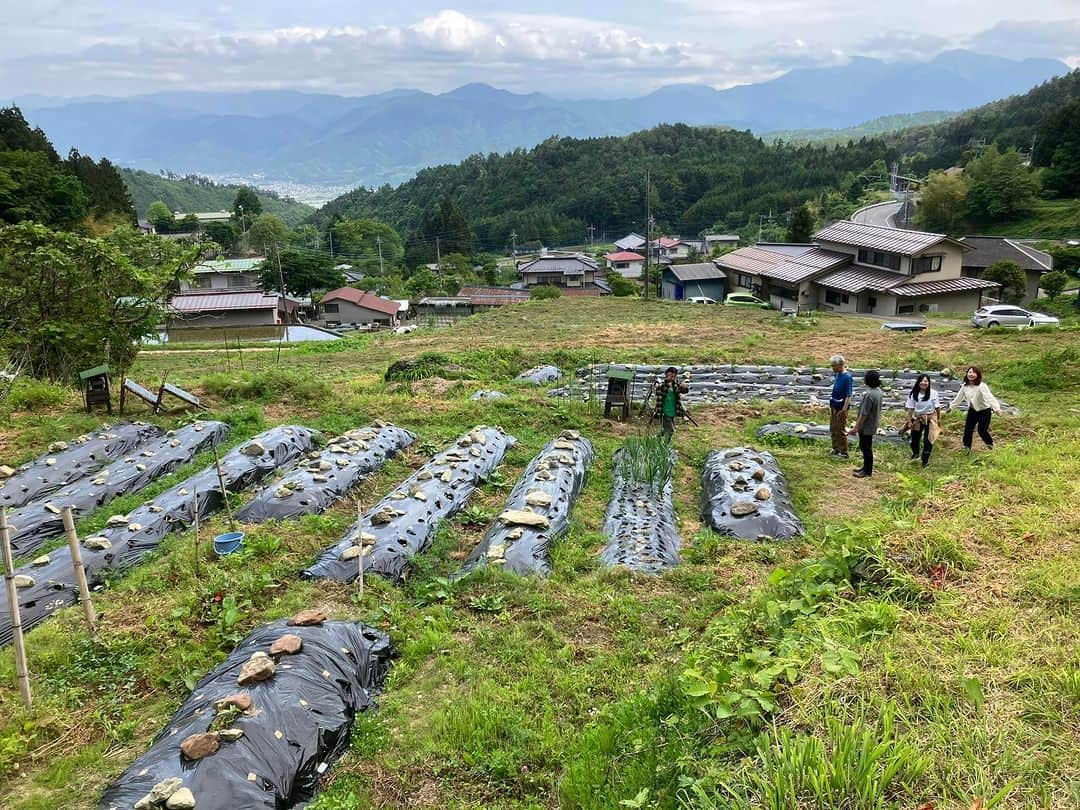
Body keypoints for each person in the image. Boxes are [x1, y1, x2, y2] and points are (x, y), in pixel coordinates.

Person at [947, 366, 1002, 451]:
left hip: (984, 411)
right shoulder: (965, 386)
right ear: (967, 374)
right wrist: (951, 407)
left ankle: (991, 445)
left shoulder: (982, 386)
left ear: (978, 375)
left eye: (973, 372)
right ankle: (967, 448)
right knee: (968, 430)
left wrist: (997, 409)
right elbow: (959, 398)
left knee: (982, 430)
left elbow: (989, 397)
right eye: (969, 372)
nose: (971, 374)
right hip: (972, 411)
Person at [848, 369, 882, 478]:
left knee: (865, 447)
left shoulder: (869, 395)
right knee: (867, 447)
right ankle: (865, 468)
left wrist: (856, 427)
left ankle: (867, 471)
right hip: (873, 423)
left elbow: (864, 414)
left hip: (866, 425)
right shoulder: (878, 392)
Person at [905, 373, 941, 467]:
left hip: (930, 418)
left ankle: (925, 460)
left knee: (928, 439)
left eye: (925, 381)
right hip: (917, 418)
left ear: (928, 383)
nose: (923, 383)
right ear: (918, 383)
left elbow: (937, 408)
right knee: (915, 439)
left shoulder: (934, 393)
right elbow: (910, 409)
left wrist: (938, 419)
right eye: (921, 381)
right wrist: (909, 421)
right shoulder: (913, 394)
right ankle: (915, 454)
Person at [828, 354, 853, 458]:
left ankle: (844, 451)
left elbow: (848, 395)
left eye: (834, 365)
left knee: (840, 429)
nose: (832, 368)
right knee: (833, 428)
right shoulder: (837, 374)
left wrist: (844, 409)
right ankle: (835, 448)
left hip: (841, 407)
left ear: (840, 365)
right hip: (834, 404)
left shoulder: (847, 377)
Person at [655, 366, 689, 441]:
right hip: (664, 411)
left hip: (673, 411)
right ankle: (665, 446)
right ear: (666, 375)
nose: (671, 378)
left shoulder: (676, 384)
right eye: (670, 376)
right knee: (671, 430)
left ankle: (656, 439)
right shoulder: (662, 385)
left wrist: (684, 387)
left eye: (673, 376)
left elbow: (685, 391)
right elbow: (658, 393)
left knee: (666, 429)